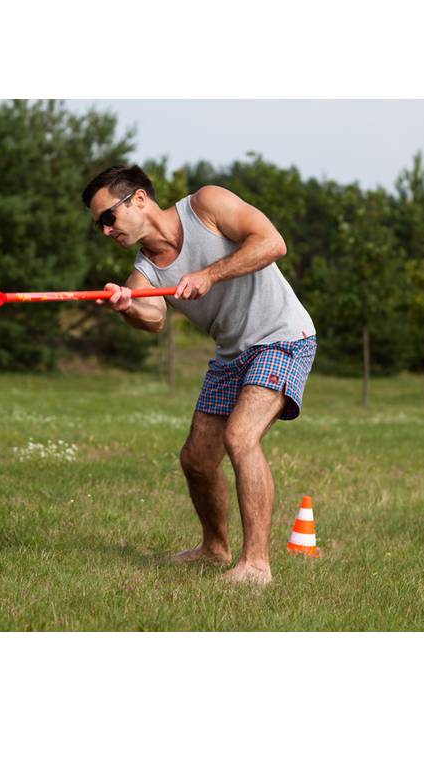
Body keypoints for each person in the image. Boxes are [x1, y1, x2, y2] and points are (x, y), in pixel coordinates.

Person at [81, 165, 317, 585]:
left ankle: (256, 566)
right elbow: (153, 318)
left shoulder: (205, 205)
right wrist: (127, 303)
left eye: (107, 217)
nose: (105, 230)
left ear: (138, 199)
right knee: (197, 460)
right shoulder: (145, 270)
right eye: (99, 224)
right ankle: (214, 549)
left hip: (283, 335)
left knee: (240, 437)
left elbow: (272, 242)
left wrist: (211, 273)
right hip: (231, 354)